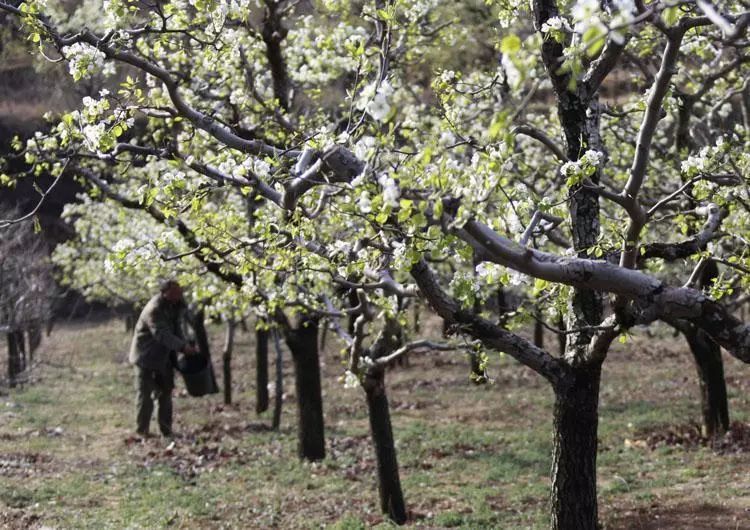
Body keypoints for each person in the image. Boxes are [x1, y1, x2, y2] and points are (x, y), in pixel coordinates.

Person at [129, 280, 197, 437]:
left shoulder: (176, 306)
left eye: (179, 293)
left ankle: (166, 430)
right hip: (146, 357)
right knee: (145, 395)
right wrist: (182, 347)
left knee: (165, 393)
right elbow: (162, 334)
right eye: (174, 293)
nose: (178, 296)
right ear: (164, 293)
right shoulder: (154, 309)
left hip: (164, 357)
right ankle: (142, 432)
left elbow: (177, 329)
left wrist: (185, 344)